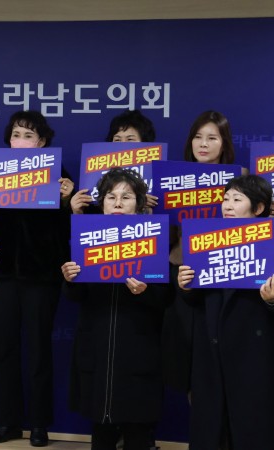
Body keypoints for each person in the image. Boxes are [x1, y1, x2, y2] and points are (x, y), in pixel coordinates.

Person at [177, 174, 274, 449]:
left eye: (237, 199)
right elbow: (195, 299)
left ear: (258, 208)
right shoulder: (206, 239)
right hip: (213, 360)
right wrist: (186, 286)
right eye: (225, 199)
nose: (228, 205)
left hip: (259, 361)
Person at [0, 111, 73, 447]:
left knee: (38, 350)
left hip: (41, 277)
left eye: (29, 135)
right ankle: (8, 422)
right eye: (16, 134)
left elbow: (70, 231)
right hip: (2, 275)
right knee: (5, 349)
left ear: (42, 142)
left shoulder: (58, 174)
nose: (21, 141)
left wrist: (66, 202)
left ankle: (39, 424)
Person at [61, 168, 172, 450]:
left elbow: (166, 299)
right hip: (97, 348)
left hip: (139, 350)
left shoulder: (155, 238)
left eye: (126, 197)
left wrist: (145, 292)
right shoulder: (87, 238)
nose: (118, 203)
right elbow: (75, 296)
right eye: (111, 197)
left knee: (138, 432)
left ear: (139, 203)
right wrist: (70, 279)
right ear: (102, 203)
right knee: (101, 431)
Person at [163, 110, 237, 395]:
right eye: (198, 137)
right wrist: (152, 213)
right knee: (185, 361)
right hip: (182, 277)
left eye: (212, 138)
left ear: (224, 143)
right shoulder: (172, 180)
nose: (203, 144)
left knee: (218, 365)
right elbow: (166, 240)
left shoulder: (240, 180)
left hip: (222, 280)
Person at [72, 109, 159, 215]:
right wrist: (78, 212)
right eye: (117, 140)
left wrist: (141, 204)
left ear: (145, 143)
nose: (123, 144)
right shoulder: (96, 174)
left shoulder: (158, 175)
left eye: (130, 139)